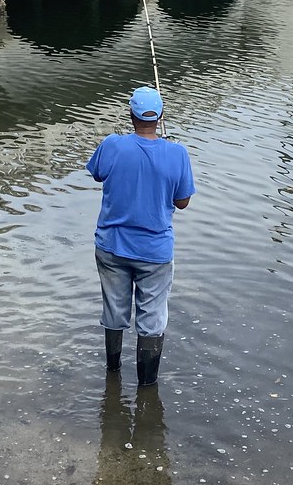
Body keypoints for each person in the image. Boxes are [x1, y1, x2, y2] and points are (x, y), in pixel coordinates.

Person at [86, 86, 195, 386]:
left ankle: (113, 372)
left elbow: (97, 173)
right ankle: (147, 389)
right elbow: (182, 202)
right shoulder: (177, 153)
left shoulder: (112, 145)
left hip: (111, 247)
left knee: (113, 308)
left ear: (130, 115)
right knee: (152, 319)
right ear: (160, 117)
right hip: (155, 253)